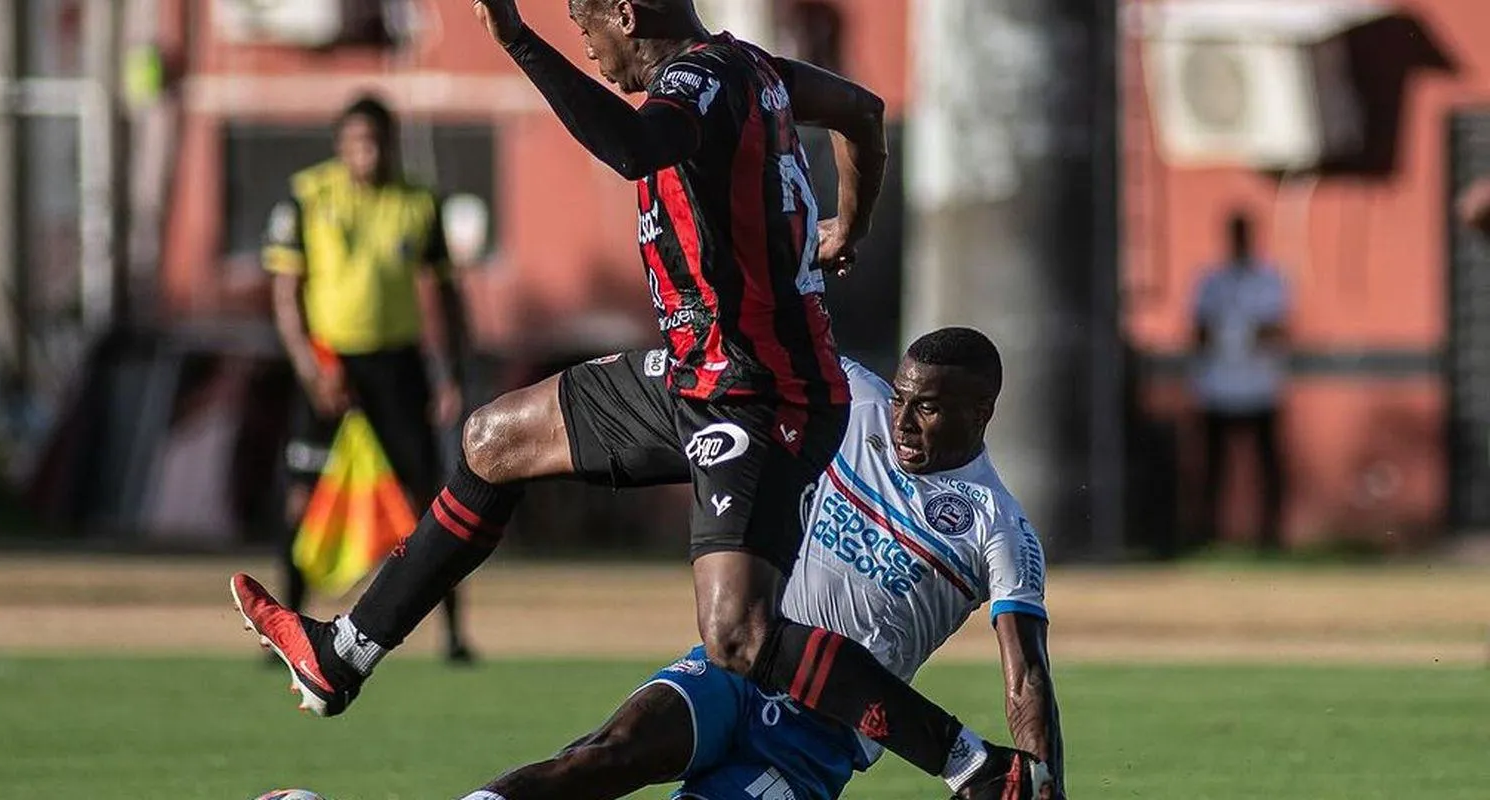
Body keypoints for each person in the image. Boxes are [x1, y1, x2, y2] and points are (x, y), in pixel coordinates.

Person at [232, 2, 1045, 795]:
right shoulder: (750, 70)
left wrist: (519, 41)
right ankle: (344, 651)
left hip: (762, 395)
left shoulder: (698, 84)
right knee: (491, 441)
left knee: (737, 633)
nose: (584, 46)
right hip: (695, 372)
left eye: (583, 25)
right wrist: (849, 228)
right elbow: (861, 112)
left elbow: (631, 148)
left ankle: (972, 764)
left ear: (624, 14)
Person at [457, 328, 1062, 800]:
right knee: (604, 755)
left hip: (817, 738)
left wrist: (1043, 784)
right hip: (742, 665)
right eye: (902, 398)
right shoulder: (851, 399)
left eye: (926, 409)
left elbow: (1027, 679)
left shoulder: (999, 526)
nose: (901, 421)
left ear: (981, 411)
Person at [262, 94, 474, 662]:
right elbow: (286, 293)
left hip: (398, 365)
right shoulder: (308, 196)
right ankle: (284, 626)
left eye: (377, 142)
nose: (368, 153)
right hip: (329, 364)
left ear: (391, 144)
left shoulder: (417, 203)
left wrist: (451, 371)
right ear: (340, 146)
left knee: (434, 501)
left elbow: (446, 292)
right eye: (357, 142)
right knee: (302, 496)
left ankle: (452, 632)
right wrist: (310, 368)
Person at [1190, 210, 1290, 554]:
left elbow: (1276, 329)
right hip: (1218, 387)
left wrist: (1232, 331)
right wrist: (1240, 332)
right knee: (1214, 467)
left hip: (1259, 386)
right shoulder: (1211, 281)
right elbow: (1198, 330)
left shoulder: (1268, 278)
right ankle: (1209, 533)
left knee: (1267, 466)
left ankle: (1270, 534)